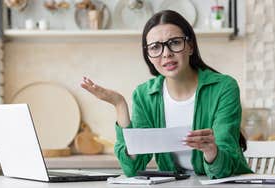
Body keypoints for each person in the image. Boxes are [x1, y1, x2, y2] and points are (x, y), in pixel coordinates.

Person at [81, 10, 252, 179]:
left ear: (190, 46)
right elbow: (132, 168)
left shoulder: (223, 88)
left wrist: (211, 151)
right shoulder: (144, 95)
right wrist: (119, 105)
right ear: (148, 55)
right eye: (155, 47)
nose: (166, 53)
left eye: (175, 42)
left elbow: (224, 170)